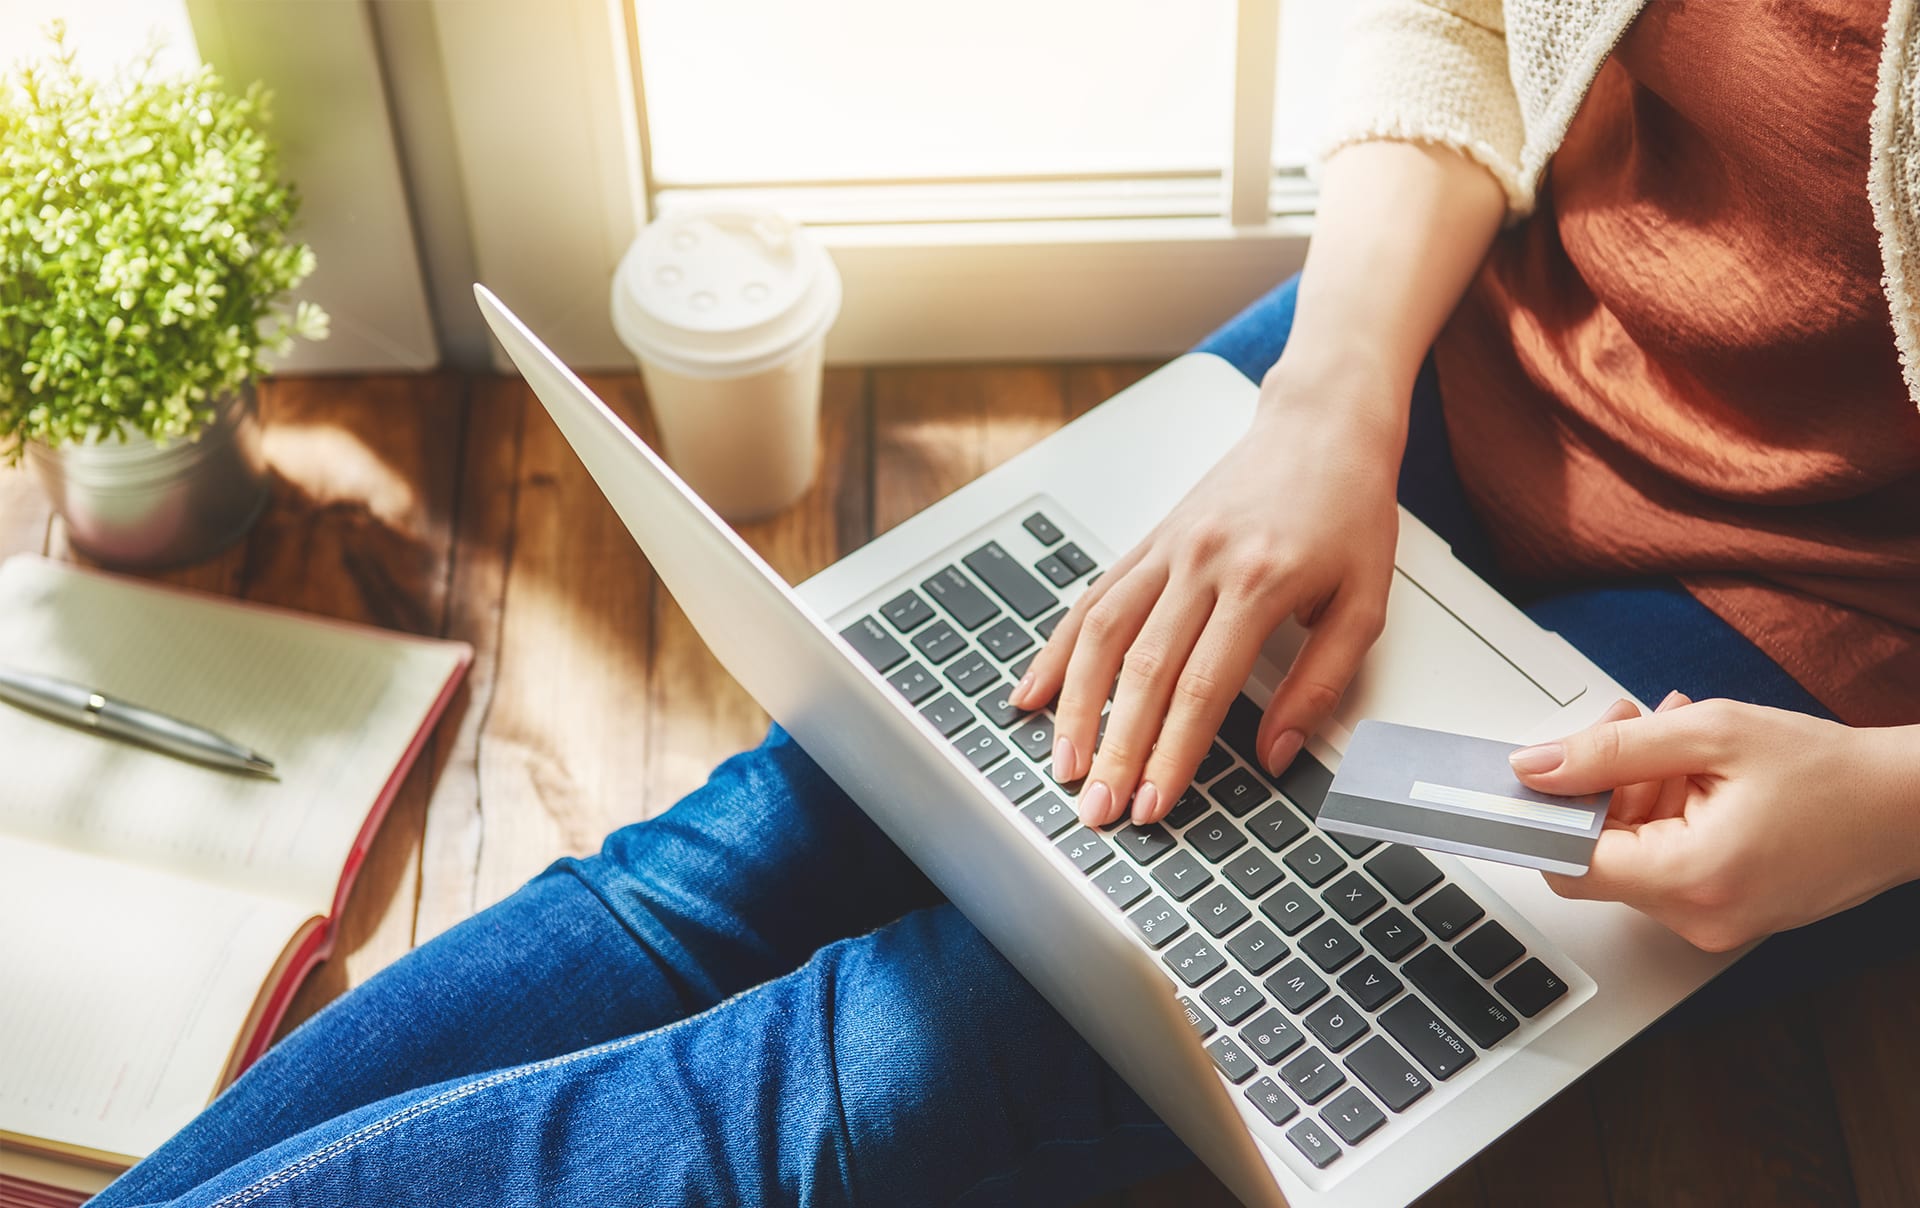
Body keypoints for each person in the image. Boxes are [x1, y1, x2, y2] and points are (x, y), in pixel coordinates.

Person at [94, 1, 1919, 1205]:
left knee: (869, 1073)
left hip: (1787, 667)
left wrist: (1887, 811)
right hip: (1426, 363)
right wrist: (1334, 389)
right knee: (743, 855)